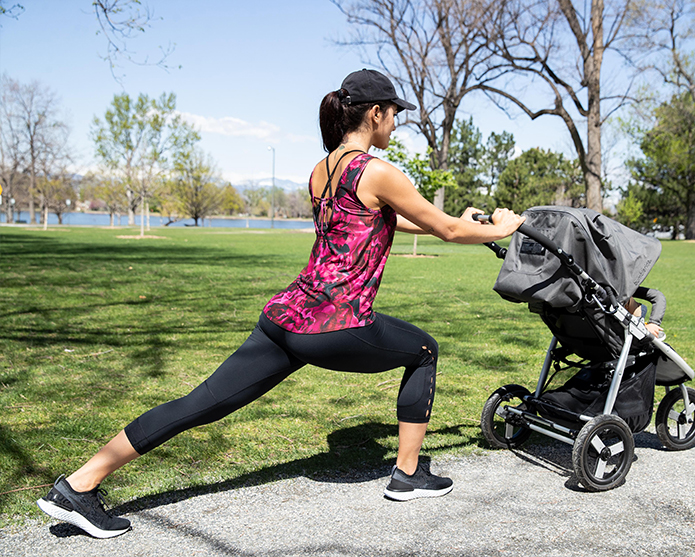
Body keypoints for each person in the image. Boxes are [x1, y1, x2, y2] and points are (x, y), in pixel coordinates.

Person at [36, 68, 525, 539]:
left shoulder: (322, 170)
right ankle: (407, 475)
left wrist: (457, 221)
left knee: (199, 403)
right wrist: (500, 228)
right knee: (423, 349)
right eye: (394, 113)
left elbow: (392, 221)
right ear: (375, 113)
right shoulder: (379, 170)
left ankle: (78, 485)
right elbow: (448, 230)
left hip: (284, 320)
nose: (396, 123)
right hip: (336, 324)